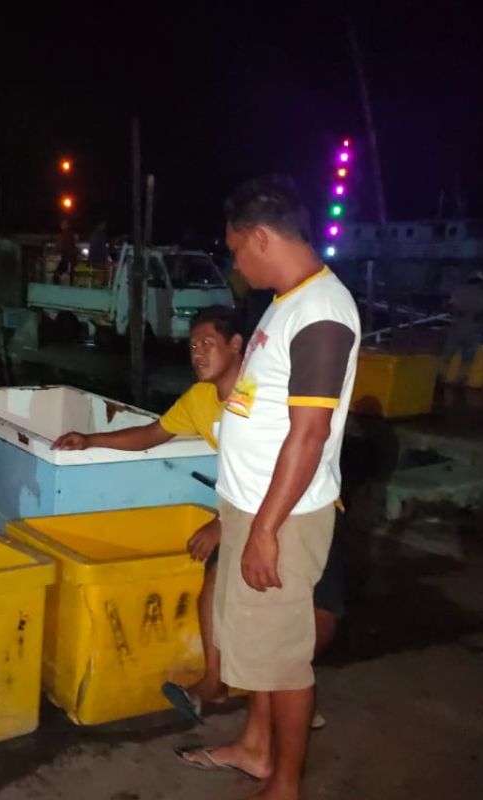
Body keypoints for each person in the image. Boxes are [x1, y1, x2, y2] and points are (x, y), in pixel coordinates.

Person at [52, 305, 343, 727]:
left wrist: (223, 524)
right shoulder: (201, 399)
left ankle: (285, 686)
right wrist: (90, 439)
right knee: (217, 582)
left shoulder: (267, 393)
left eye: (208, 343)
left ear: (236, 345)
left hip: (305, 511)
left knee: (321, 614)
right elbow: (152, 434)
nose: (197, 353)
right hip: (248, 516)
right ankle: (218, 681)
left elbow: (289, 464)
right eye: (192, 345)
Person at [176, 176, 359, 800]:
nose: (234, 262)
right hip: (249, 506)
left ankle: (285, 784)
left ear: (260, 238)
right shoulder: (287, 302)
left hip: (281, 518)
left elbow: (308, 435)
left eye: (236, 249)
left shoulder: (322, 314)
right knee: (255, 643)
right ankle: (256, 749)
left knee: (284, 661)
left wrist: (263, 531)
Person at [441, 270, 483, 388]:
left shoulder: (459, 291)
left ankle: (441, 377)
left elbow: (450, 307)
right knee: (468, 357)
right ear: (481, 282)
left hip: (457, 325)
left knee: (447, 355)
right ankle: (460, 379)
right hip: (474, 328)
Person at [55, 218, 76, 283]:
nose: (61, 225)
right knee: (69, 276)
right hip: (70, 258)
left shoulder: (64, 234)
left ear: (66, 225)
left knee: (57, 274)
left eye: (63, 224)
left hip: (66, 258)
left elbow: (60, 245)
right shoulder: (70, 233)